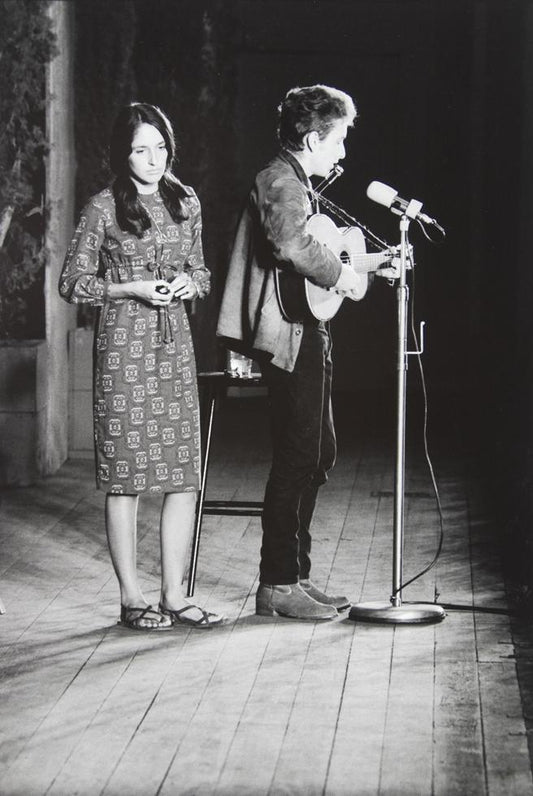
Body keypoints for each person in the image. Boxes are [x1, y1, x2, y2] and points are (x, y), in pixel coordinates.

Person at [217, 85, 394, 620]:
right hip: (287, 338)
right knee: (300, 454)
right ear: (313, 137)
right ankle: (277, 584)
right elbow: (291, 247)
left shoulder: (294, 182)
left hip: (306, 330)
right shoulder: (281, 180)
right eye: (338, 141)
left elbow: (309, 252)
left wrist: (368, 267)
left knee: (318, 453)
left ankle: (296, 575)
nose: (342, 154)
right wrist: (344, 274)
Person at [60, 102, 223, 630]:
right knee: (125, 476)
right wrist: (128, 286)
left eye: (160, 147)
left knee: (183, 475)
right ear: (121, 153)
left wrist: (187, 284)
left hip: (175, 345)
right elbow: (72, 282)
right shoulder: (102, 208)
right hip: (123, 347)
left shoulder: (187, 201)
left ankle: (175, 594)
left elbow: (201, 270)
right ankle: (133, 598)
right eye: (139, 149)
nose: (153, 158)